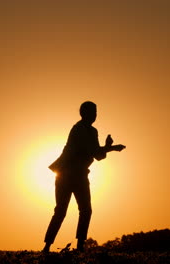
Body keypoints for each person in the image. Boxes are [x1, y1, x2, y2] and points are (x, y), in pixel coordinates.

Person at [42, 101, 126, 252]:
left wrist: (108, 147)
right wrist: (111, 148)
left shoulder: (93, 131)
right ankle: (47, 245)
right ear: (83, 113)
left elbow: (98, 155)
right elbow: (93, 151)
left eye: (96, 112)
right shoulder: (78, 129)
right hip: (66, 174)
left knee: (85, 210)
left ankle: (80, 245)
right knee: (61, 211)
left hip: (80, 174)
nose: (95, 115)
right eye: (92, 112)